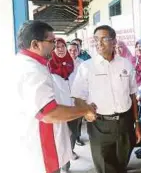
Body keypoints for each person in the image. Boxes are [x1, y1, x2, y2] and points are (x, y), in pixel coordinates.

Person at [11, 20, 96, 173]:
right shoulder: (32, 70)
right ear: (35, 44)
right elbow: (49, 113)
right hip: (40, 152)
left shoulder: (28, 63)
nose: (55, 46)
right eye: (51, 41)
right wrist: (85, 110)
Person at [71, 25, 141, 173]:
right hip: (99, 125)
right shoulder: (87, 67)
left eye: (104, 39)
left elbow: (132, 95)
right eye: (96, 39)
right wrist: (85, 112)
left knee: (121, 164)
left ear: (114, 41)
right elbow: (77, 97)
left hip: (125, 123)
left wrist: (136, 123)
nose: (99, 43)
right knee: (105, 167)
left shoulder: (126, 64)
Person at [48, 38, 79, 171]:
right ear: (53, 49)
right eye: (57, 47)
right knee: (60, 138)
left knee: (73, 134)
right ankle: (62, 164)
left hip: (74, 107)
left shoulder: (73, 64)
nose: (60, 49)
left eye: (62, 46)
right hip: (59, 109)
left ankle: (67, 158)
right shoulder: (48, 67)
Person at [68, 42, 86, 146]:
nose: (72, 52)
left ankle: (78, 137)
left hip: (79, 96)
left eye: (75, 50)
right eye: (70, 50)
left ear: (79, 51)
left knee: (79, 119)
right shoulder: (63, 62)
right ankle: (71, 144)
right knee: (70, 122)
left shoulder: (82, 63)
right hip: (67, 96)